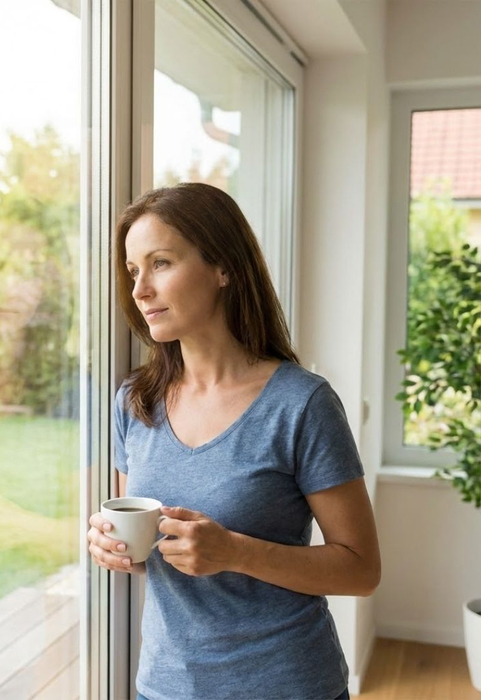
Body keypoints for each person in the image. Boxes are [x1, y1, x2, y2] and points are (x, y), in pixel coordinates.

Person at [87, 183, 381, 700]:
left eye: (160, 263)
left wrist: (235, 552)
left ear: (223, 268)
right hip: (165, 686)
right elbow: (144, 549)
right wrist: (113, 547)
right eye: (134, 271)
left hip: (288, 684)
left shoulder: (302, 404)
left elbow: (361, 569)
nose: (140, 290)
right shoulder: (135, 401)